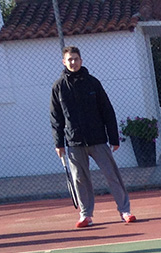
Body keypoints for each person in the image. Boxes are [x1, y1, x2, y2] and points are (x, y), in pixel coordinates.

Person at [50, 46, 135, 228]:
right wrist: (59, 143)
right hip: (74, 142)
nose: (73, 62)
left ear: (81, 60)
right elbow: (56, 118)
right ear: (64, 62)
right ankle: (86, 215)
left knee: (112, 175)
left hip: (98, 139)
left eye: (76, 59)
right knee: (80, 179)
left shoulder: (93, 83)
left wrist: (113, 138)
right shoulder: (58, 87)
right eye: (70, 59)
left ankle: (125, 211)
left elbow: (107, 111)